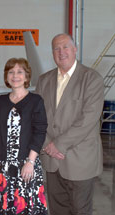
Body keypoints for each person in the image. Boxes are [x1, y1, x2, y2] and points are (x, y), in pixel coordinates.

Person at [35, 33, 104, 215]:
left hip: (80, 160)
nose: (61, 51)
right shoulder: (44, 80)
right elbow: (37, 117)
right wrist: (48, 146)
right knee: (57, 210)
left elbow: (88, 119)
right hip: (51, 160)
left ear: (75, 49)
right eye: (56, 48)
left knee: (80, 210)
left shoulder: (91, 78)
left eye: (65, 46)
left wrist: (58, 144)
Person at [0, 58, 48, 215]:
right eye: (11, 72)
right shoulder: (0, 102)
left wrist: (30, 162)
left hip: (26, 166)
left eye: (20, 72)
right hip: (3, 167)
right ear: (6, 76)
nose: (15, 75)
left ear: (27, 77)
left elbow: (40, 132)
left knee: (26, 208)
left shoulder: (36, 101)